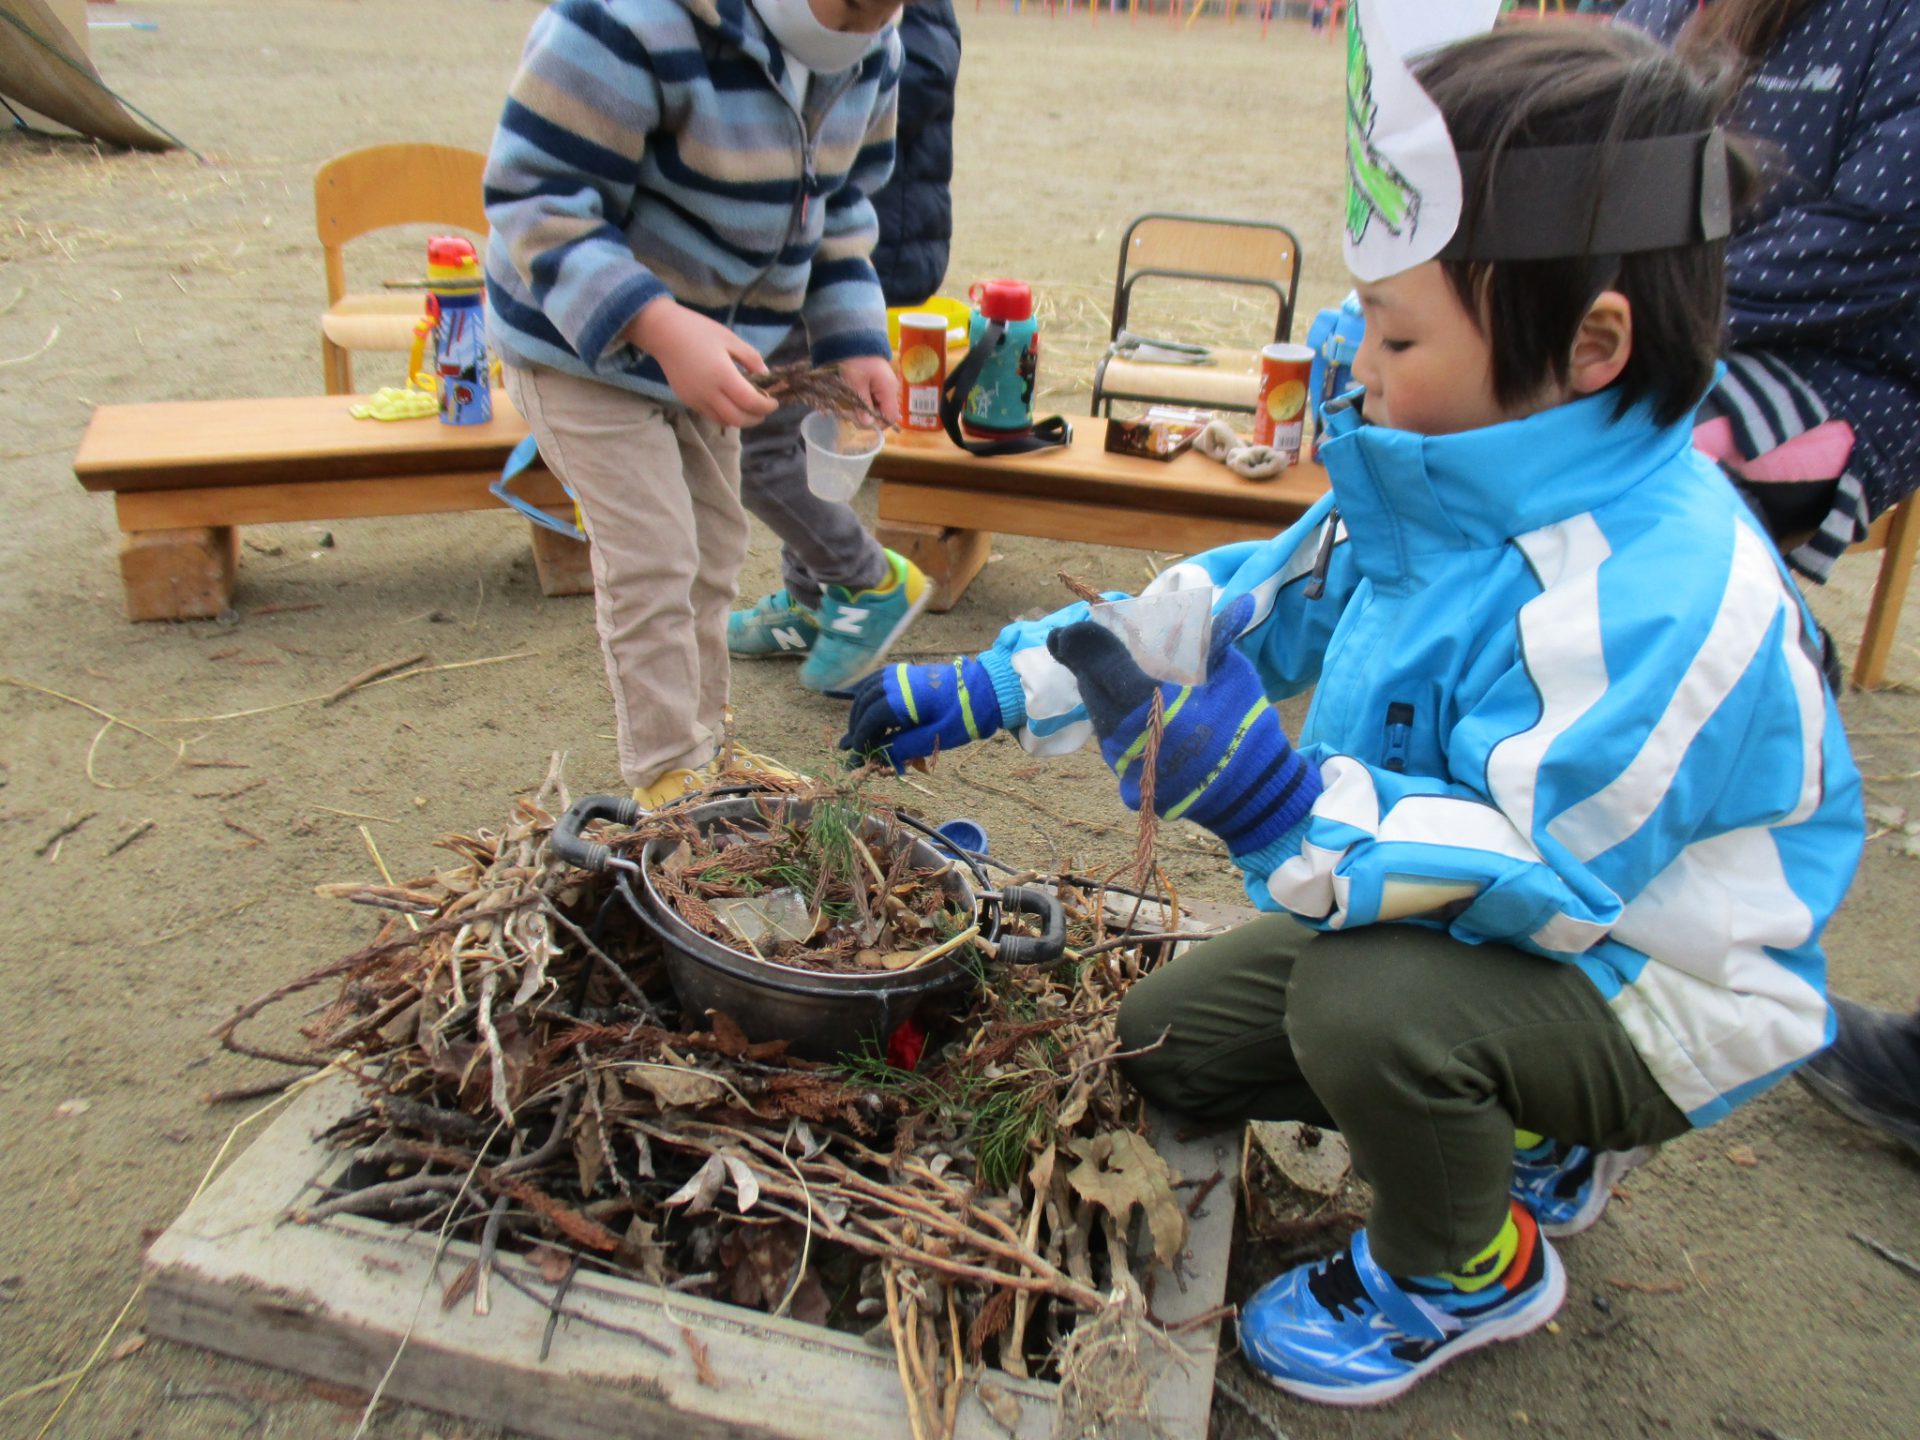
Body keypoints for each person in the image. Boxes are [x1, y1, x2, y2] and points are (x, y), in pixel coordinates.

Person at [840, 23, 1865, 1406]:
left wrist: (1274, 806)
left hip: (1654, 972)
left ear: (1590, 344)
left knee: (1367, 1008)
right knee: (1167, 1042)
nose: (1362, 366)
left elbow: (1546, 871)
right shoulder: (1445, 470)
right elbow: (1236, 607)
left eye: (1398, 333)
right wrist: (1012, 678)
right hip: (1450, 896)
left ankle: (1470, 1264)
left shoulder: (1667, 592)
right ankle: (1506, 1109)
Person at [1617, 0, 1920, 1153]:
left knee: (1628, 473)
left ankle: (1742, 711)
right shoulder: (1647, 9)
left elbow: (1883, 238)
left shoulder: (1888, 26)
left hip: (1824, 353)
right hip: (1626, 326)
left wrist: (1642, 298)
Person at [482, 0, 909, 807]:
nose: (871, 28)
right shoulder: (630, 20)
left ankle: (708, 747)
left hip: (714, 351)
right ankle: (669, 775)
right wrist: (658, 324)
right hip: (581, 343)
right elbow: (537, 194)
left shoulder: (876, 49)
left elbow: (841, 204)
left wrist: (855, 337)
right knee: (654, 558)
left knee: (714, 553)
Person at [1619, 0, 1920, 581]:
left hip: (1839, 360)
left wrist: (1640, 306)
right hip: (1628, 313)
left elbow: (1883, 233)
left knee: (1584, 469)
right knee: (1450, 412)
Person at [727, 0, 961, 693]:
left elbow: (906, 86)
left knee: (761, 451)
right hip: (826, 263)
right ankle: (813, 602)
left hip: (829, 266)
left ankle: (864, 580)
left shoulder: (882, 40)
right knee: (802, 447)